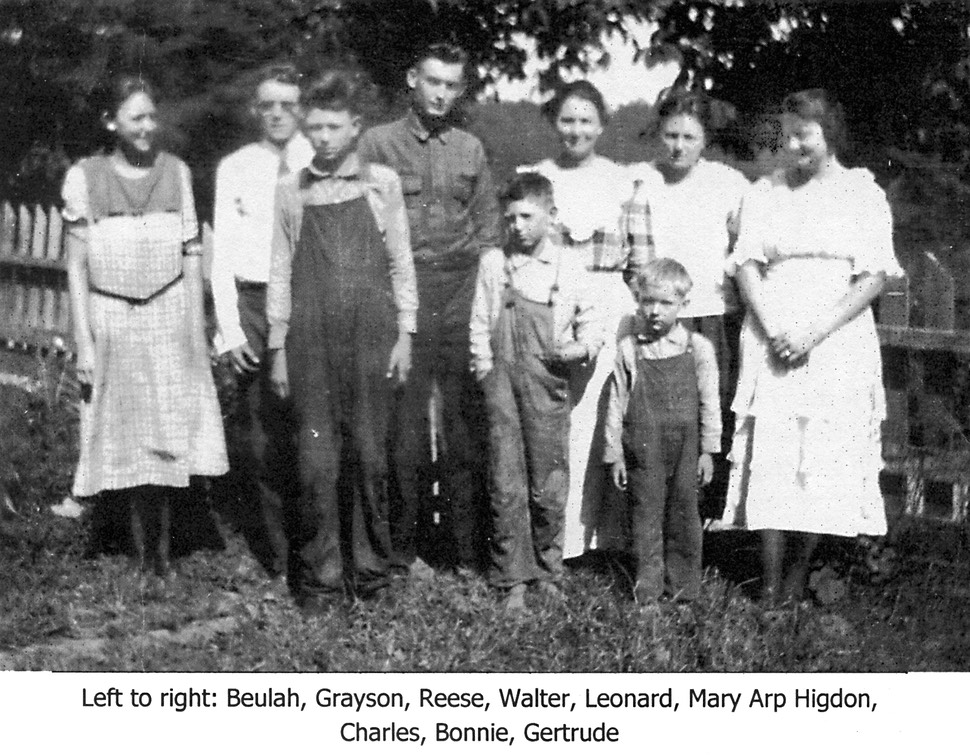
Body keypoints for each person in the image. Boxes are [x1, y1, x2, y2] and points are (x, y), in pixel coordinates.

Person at [712, 89, 901, 604]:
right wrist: (774, 328)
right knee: (773, 454)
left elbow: (873, 276)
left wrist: (814, 332)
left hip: (836, 337)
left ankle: (798, 578)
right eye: (788, 136)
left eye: (805, 136)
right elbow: (746, 264)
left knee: (823, 455)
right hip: (771, 333)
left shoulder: (862, 193)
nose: (794, 146)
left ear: (830, 135)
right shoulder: (764, 192)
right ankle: (770, 584)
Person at [63, 74, 228, 575]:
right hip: (112, 316)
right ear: (111, 121)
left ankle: (162, 552)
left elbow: (191, 253)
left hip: (167, 312)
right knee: (121, 428)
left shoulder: (176, 172)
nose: (147, 127)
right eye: (136, 117)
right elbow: (76, 267)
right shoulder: (84, 176)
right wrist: (85, 342)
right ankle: (129, 544)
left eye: (152, 116)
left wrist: (194, 329)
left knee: (166, 424)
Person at [267, 70, 417, 612]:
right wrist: (277, 347)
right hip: (309, 340)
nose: (324, 137)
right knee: (316, 462)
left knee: (371, 455)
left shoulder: (381, 184)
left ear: (356, 127)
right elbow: (280, 270)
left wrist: (406, 333)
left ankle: (372, 575)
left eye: (334, 127)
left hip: (372, 335)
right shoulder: (291, 190)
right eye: (315, 128)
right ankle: (321, 581)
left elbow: (400, 261)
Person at [358, 42, 501, 575]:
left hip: (460, 292)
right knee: (406, 427)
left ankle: (464, 551)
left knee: (464, 423)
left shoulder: (470, 148)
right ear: (412, 79)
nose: (441, 94)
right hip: (403, 294)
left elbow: (488, 226)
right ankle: (404, 550)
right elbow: (362, 225)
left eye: (451, 85)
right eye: (433, 81)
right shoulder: (378, 144)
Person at [470, 173, 602, 611]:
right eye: (510, 218)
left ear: (551, 216)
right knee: (506, 481)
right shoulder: (494, 264)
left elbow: (593, 324)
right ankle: (511, 578)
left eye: (527, 217)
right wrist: (485, 375)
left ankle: (548, 570)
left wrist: (579, 348)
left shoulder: (568, 266)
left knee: (549, 482)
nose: (518, 226)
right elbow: (479, 326)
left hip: (546, 385)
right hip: (502, 386)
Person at [518, 80, 635, 559]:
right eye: (567, 119)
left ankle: (601, 538)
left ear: (602, 125)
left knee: (603, 416)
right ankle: (553, 538)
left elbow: (641, 259)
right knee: (554, 416)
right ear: (554, 122)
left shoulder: (623, 181)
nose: (576, 129)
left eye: (586, 120)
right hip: (550, 301)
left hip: (610, 303)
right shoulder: (535, 177)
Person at [622, 88, 750, 518]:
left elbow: (747, 248)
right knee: (658, 419)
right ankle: (654, 518)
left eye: (689, 137)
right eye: (671, 135)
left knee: (711, 415)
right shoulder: (641, 180)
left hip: (713, 317)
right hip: (660, 318)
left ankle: (704, 523)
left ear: (705, 140)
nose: (678, 146)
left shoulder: (728, 184)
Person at [210, 63, 313, 593]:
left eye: (287, 104)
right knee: (259, 433)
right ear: (255, 110)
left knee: (309, 427)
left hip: (306, 302)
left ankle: (315, 547)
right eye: (267, 105)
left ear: (302, 108)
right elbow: (221, 255)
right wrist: (230, 331)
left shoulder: (319, 160)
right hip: (252, 302)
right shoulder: (235, 168)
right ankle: (276, 556)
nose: (277, 114)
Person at [604, 259, 721, 608]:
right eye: (648, 301)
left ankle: (683, 591)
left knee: (685, 516)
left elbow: (710, 402)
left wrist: (708, 451)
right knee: (646, 516)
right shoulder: (630, 349)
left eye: (666, 303)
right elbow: (616, 403)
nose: (655, 311)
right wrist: (615, 454)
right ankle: (648, 594)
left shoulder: (697, 348)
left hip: (687, 448)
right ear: (637, 301)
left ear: (684, 304)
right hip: (644, 447)